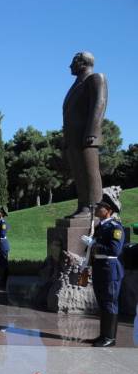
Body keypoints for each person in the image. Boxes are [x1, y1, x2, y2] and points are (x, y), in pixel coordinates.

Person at [62, 52, 107, 219]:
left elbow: (99, 104)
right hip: (73, 137)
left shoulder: (95, 78)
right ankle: (83, 205)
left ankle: (94, 207)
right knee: (79, 172)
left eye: (73, 62)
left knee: (89, 171)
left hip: (86, 135)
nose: (70, 66)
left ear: (82, 63)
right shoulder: (77, 84)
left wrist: (92, 132)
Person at [81, 190, 125, 347]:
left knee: (109, 303)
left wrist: (94, 244)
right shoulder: (100, 226)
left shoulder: (115, 227)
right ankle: (103, 335)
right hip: (100, 268)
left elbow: (114, 250)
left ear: (109, 211)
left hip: (110, 269)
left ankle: (110, 338)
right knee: (102, 303)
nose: (98, 208)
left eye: (101, 207)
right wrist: (86, 264)